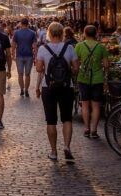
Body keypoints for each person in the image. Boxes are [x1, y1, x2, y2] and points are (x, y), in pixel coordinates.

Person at [35, 22, 80, 162]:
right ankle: (66, 147)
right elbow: (76, 68)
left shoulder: (43, 49)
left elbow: (38, 69)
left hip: (48, 87)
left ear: (48, 32)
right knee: (67, 118)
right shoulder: (70, 48)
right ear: (62, 33)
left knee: (51, 120)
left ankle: (54, 152)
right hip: (67, 87)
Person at [75, 25, 110, 139]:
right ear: (96, 34)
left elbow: (75, 63)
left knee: (85, 104)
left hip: (83, 77)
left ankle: (86, 129)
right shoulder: (101, 47)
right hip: (97, 78)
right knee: (96, 105)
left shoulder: (79, 46)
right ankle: (94, 130)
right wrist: (105, 77)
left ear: (84, 33)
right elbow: (106, 65)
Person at [12, 18, 38, 97]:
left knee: (20, 74)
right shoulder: (32, 33)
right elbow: (35, 46)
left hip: (19, 55)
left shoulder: (16, 33)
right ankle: (26, 90)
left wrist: (12, 54)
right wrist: (36, 56)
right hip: (29, 55)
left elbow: (13, 44)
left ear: (21, 23)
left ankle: (22, 89)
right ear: (28, 24)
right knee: (27, 74)